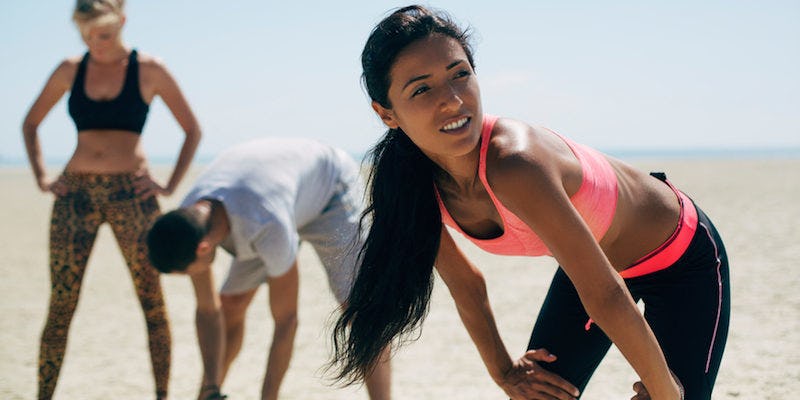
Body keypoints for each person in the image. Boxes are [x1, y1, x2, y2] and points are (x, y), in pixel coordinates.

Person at [331, 5, 729, 400]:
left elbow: (605, 293)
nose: (453, 100)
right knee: (537, 395)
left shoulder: (514, 163)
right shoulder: (409, 187)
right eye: (422, 89)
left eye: (460, 75)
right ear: (386, 113)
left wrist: (665, 390)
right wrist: (505, 372)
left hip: (682, 259)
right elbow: (466, 284)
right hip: (592, 269)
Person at [21, 0, 202, 398]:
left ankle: (161, 395)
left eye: (101, 34)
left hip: (131, 196)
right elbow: (31, 123)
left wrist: (169, 185)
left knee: (151, 302)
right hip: (75, 196)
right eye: (85, 35)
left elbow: (192, 129)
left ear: (121, 21)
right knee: (61, 305)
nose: (94, 43)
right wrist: (43, 177)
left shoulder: (149, 70)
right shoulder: (71, 69)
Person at [146, 138, 392, 400]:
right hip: (267, 198)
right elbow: (209, 310)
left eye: (187, 272)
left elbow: (286, 321)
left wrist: (268, 396)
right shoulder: (189, 221)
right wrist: (209, 388)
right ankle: (209, 393)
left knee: (360, 311)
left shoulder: (266, 223)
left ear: (203, 249)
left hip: (330, 189)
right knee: (230, 304)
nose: (192, 277)